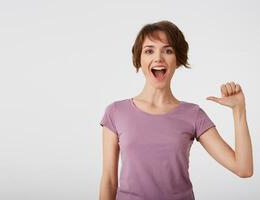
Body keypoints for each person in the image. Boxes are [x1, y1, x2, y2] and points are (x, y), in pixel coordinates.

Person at [98, 20, 253, 200]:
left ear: (177, 60)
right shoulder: (116, 112)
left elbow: (243, 169)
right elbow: (109, 180)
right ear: (139, 59)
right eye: (149, 50)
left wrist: (239, 110)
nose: (158, 58)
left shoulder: (193, 115)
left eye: (168, 50)